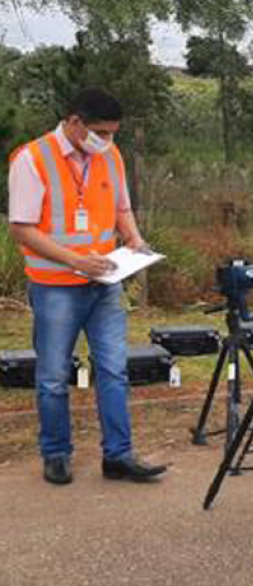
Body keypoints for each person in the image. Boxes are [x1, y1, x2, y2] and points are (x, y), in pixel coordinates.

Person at [7, 88, 166, 485]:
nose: (107, 140)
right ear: (74, 122)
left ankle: (119, 456)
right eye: (100, 132)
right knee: (54, 374)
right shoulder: (32, 159)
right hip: (55, 285)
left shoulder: (110, 156)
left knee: (114, 370)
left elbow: (121, 208)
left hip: (105, 282)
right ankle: (56, 453)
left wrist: (133, 238)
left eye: (113, 133)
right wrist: (74, 260)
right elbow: (21, 229)